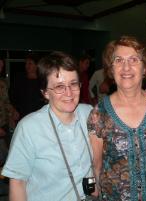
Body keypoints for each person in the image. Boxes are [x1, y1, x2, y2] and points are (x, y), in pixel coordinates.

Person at [1, 51, 95, 201]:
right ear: (45, 92)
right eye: (59, 87)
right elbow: (17, 183)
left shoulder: (89, 114)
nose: (69, 93)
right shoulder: (29, 128)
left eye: (73, 84)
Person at [87, 36, 146, 201]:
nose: (126, 67)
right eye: (118, 60)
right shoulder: (98, 114)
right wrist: (90, 196)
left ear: (145, 68)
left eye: (133, 59)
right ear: (111, 69)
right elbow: (91, 166)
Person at [9, 53, 44, 118]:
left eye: (30, 63)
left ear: (36, 65)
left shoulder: (42, 80)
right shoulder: (19, 79)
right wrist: (14, 109)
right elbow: (12, 95)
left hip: (38, 114)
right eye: (26, 63)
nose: (26, 66)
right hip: (21, 113)